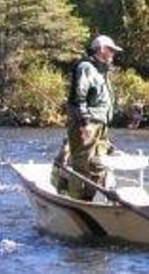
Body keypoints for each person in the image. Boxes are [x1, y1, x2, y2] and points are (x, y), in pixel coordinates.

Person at [52, 34, 123, 200]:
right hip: (88, 123)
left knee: (98, 162)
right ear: (102, 49)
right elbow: (79, 97)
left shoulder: (101, 70)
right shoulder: (86, 67)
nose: (113, 54)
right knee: (82, 164)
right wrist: (84, 124)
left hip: (100, 124)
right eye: (111, 50)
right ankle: (77, 201)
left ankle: (92, 197)